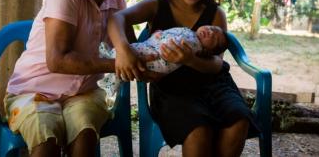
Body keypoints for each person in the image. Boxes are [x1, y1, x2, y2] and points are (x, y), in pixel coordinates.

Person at [4, 0, 155, 157]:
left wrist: (160, 51)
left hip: (83, 92)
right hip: (33, 89)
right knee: (47, 141)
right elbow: (57, 61)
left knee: (84, 133)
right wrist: (117, 63)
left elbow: (130, 51)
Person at [108, 0, 260, 156]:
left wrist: (190, 60)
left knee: (238, 122)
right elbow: (117, 18)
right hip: (172, 90)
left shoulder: (216, 13)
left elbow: (217, 65)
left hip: (214, 86)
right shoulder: (157, 5)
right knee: (199, 131)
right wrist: (124, 50)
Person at [97, 25, 228, 106]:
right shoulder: (190, 32)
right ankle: (111, 69)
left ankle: (111, 68)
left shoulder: (194, 45)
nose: (210, 32)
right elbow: (171, 34)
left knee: (135, 54)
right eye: (212, 28)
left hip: (159, 57)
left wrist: (160, 38)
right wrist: (159, 34)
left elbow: (172, 44)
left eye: (214, 38)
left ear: (209, 51)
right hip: (156, 48)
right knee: (133, 53)